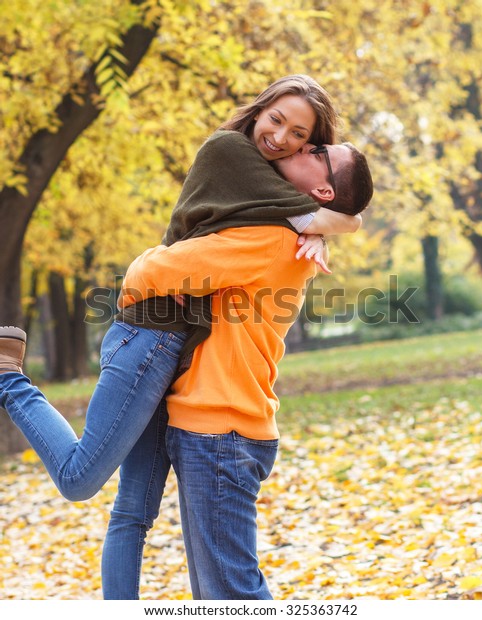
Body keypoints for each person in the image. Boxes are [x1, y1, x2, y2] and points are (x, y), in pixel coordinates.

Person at [0, 79, 366, 503]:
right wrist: (341, 222)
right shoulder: (230, 150)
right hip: (153, 327)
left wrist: (327, 223)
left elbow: (306, 215)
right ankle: (9, 377)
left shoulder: (270, 185)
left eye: (300, 136)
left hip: (179, 336)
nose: (281, 138)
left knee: (134, 509)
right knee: (81, 479)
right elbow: (312, 217)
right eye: (276, 120)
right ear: (259, 110)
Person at [114, 139, 373, 600]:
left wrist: (154, 263)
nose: (307, 147)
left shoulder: (268, 239)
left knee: (232, 595)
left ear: (324, 193)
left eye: (321, 155)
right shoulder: (281, 234)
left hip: (220, 429)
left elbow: (143, 276)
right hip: (224, 426)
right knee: (219, 594)